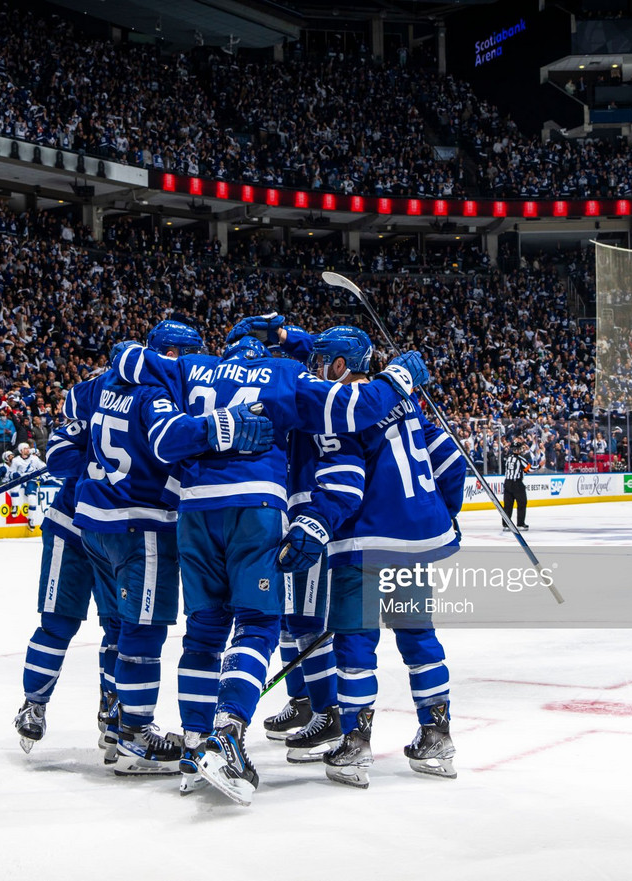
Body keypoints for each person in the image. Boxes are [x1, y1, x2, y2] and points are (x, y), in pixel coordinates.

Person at [109, 314, 428, 805]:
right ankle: (229, 735)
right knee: (259, 625)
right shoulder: (285, 373)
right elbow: (354, 405)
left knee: (204, 631)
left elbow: (129, 363)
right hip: (256, 506)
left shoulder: (192, 367)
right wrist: (400, 376)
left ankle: (196, 747)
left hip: (194, 509)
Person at [77, 322, 273, 777]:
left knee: (119, 628)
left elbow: (74, 412)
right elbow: (172, 440)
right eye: (187, 356)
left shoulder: (106, 383)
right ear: (171, 354)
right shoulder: (155, 393)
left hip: (96, 521)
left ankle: (114, 720)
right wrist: (222, 425)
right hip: (140, 520)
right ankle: (134, 738)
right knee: (143, 635)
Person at [274, 326, 466, 788]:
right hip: (414, 542)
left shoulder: (342, 412)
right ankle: (437, 739)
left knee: (355, 643)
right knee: (419, 637)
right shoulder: (407, 403)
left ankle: (357, 745)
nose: (315, 369)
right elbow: (451, 461)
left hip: (363, 543)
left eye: (322, 361)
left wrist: (315, 524)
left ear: (340, 365)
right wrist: (440, 512)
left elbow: (345, 480)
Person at [14, 358, 126, 758]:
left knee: (118, 627)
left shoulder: (151, 405)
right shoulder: (93, 400)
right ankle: (34, 703)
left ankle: (112, 709)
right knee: (58, 622)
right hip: (72, 527)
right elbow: (58, 456)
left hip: (116, 532)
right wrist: (97, 460)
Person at [11, 442, 46, 528]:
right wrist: (14, 475)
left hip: (31, 480)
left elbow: (44, 468)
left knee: (32, 499)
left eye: (28, 448)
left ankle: (31, 519)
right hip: (20, 480)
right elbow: (10, 472)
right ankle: (15, 507)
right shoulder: (16, 460)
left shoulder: (35, 459)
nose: (28, 449)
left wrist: (42, 478)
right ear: (21, 451)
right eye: (25, 448)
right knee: (14, 488)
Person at [502, 436, 531, 530]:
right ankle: (520, 523)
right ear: (518, 450)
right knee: (522, 503)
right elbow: (529, 469)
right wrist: (539, 465)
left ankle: (506, 525)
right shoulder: (520, 459)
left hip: (507, 483)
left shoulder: (508, 458)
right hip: (517, 484)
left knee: (507, 505)